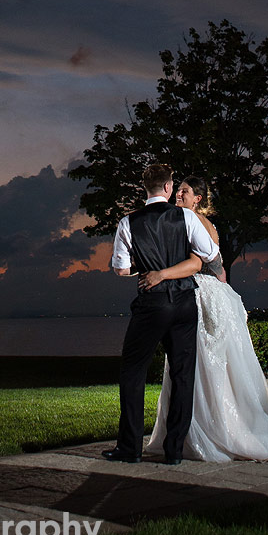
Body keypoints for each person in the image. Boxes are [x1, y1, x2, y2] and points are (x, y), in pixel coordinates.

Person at [142, 176, 268, 463]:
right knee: (214, 364)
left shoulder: (188, 219)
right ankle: (216, 425)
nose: (179, 195)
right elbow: (220, 268)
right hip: (216, 294)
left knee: (192, 362)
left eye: (185, 191)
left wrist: (163, 274)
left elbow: (198, 263)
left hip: (198, 294)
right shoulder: (210, 224)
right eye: (178, 190)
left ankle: (202, 432)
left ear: (198, 198)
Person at [104, 162, 220, 466]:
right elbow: (210, 254)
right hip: (184, 302)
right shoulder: (186, 216)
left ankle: (130, 448)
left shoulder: (128, 222)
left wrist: (147, 268)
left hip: (152, 304)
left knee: (133, 371)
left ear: (146, 188)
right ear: (168, 187)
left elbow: (121, 269)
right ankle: (174, 450)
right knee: (183, 374)